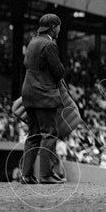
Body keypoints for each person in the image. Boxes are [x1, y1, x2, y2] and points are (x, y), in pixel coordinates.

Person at [20, 13, 67, 184]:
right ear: (53, 27)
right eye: (59, 27)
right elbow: (59, 71)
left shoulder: (32, 42)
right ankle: (46, 174)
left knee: (33, 134)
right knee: (49, 133)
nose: (60, 30)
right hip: (44, 94)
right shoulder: (49, 45)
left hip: (28, 92)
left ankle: (26, 175)